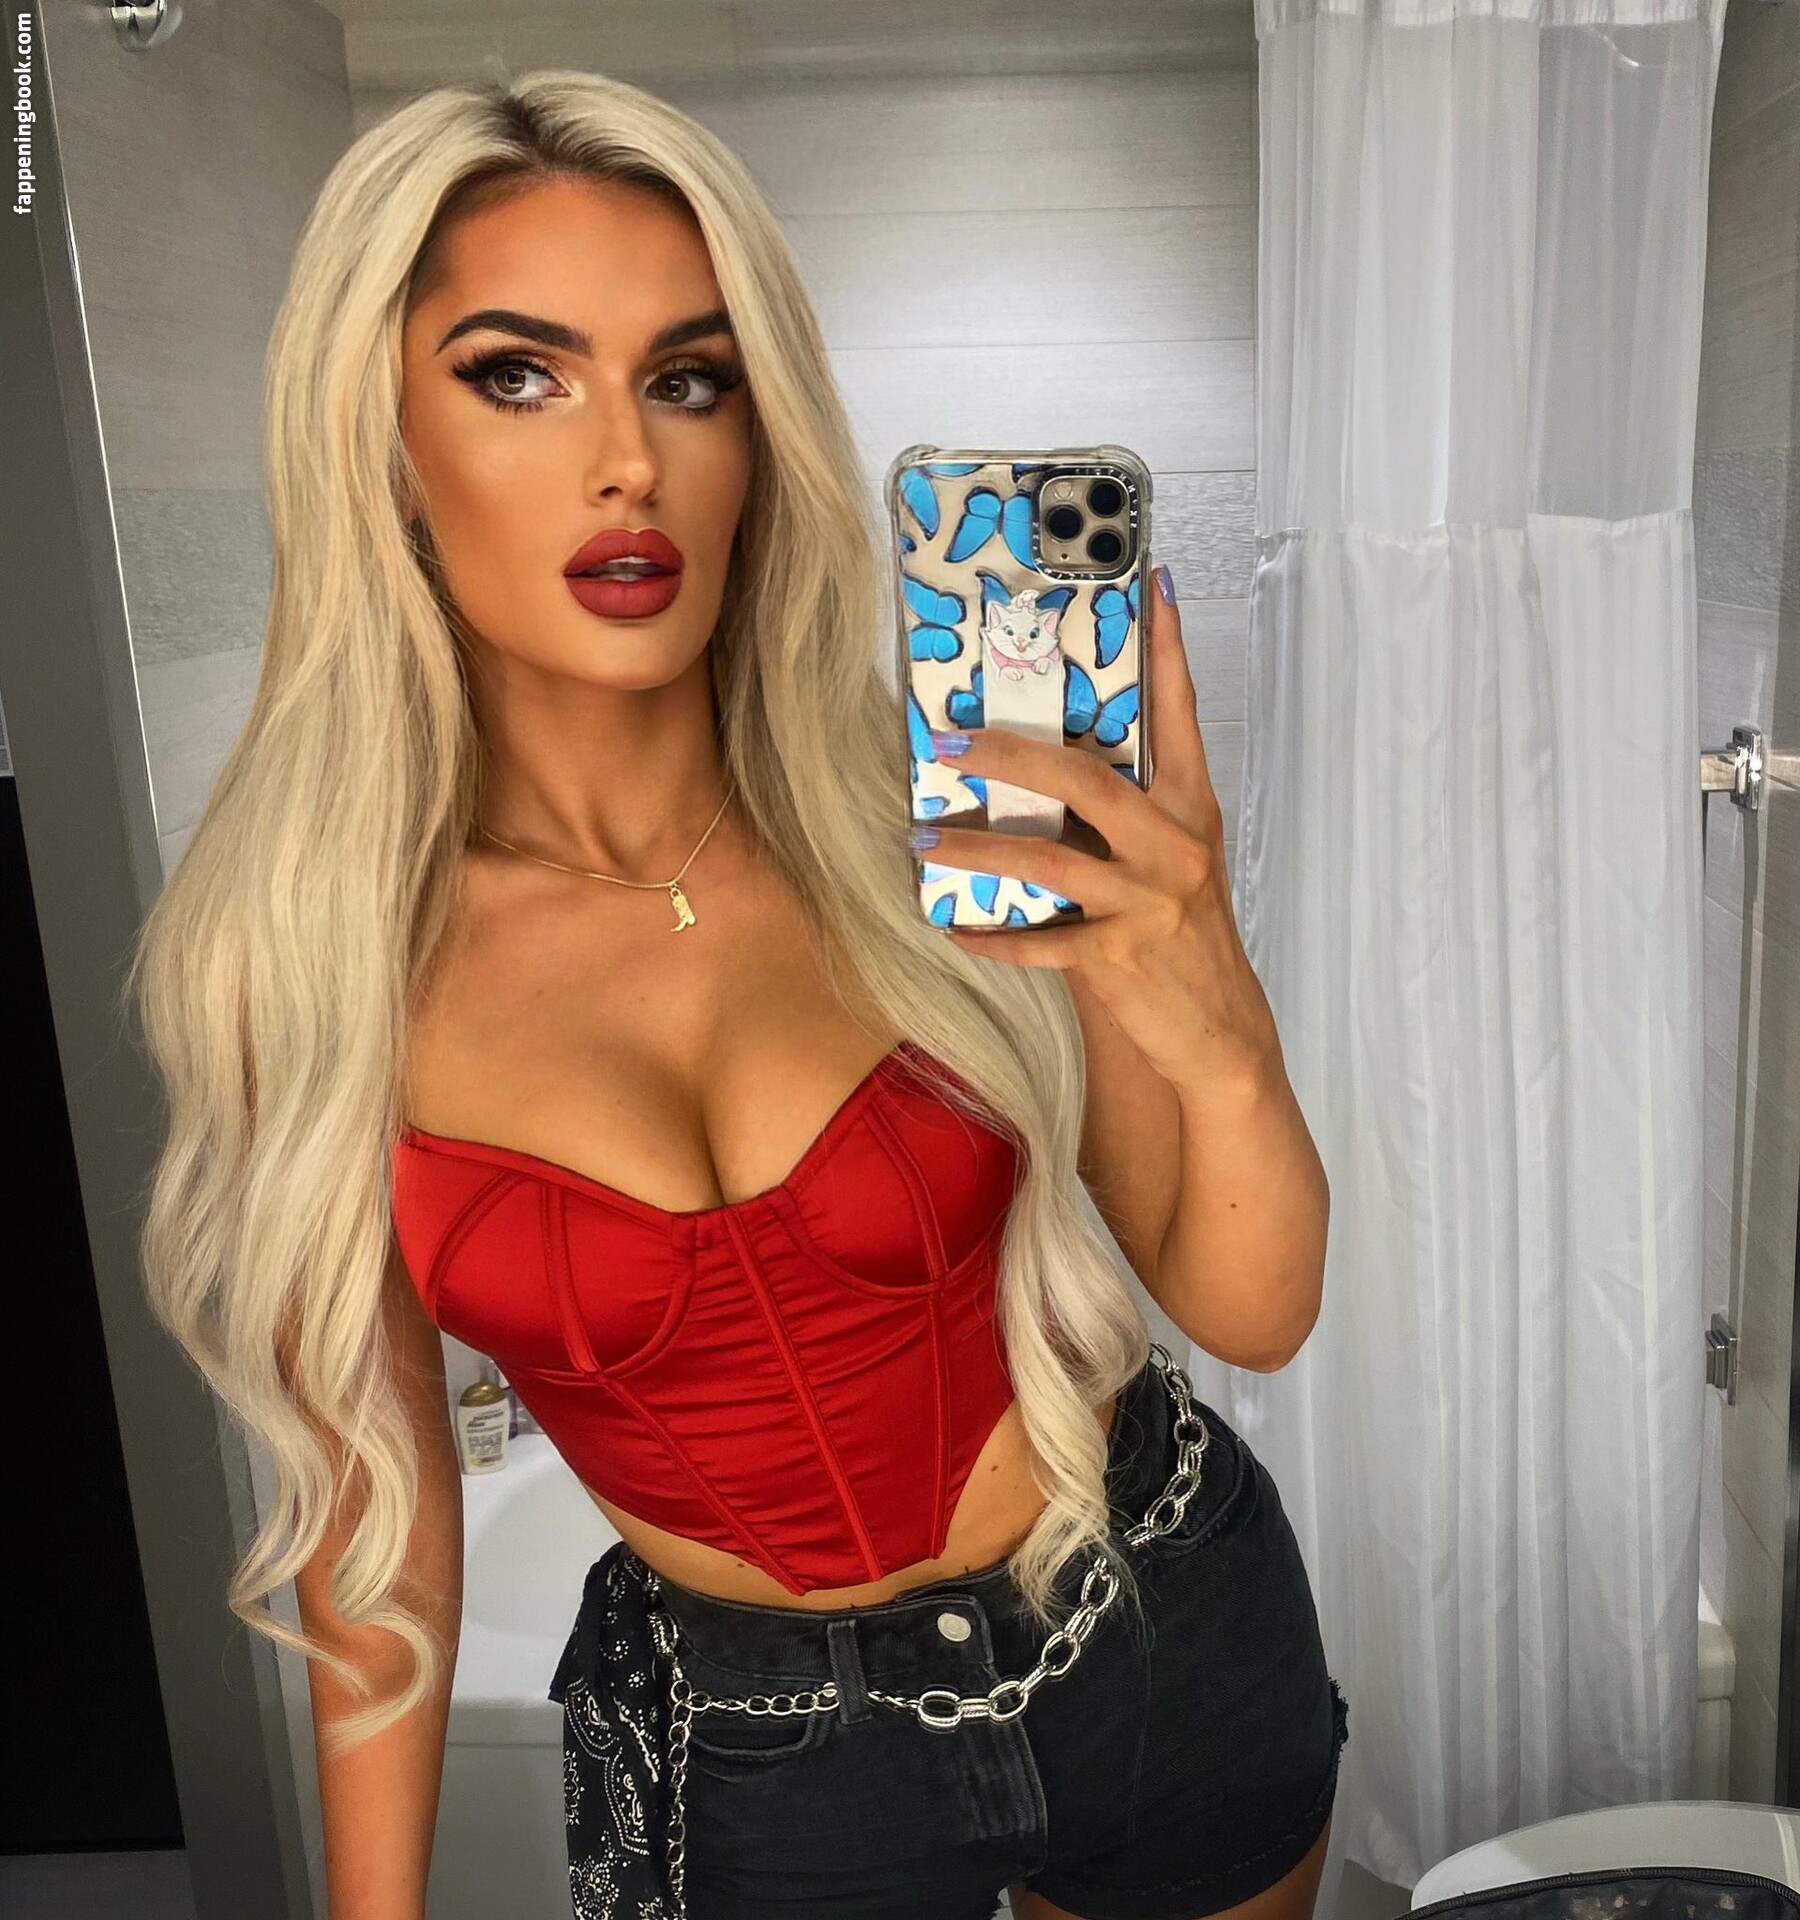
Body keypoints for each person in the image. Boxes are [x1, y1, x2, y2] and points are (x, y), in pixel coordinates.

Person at [132, 69, 1344, 1920]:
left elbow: (1253, 1308)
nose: (628, 458)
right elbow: (378, 1508)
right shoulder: (306, 959)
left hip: (1165, 1626)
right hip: (776, 1775)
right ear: (377, 441)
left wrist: (1217, 1008)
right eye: (519, 376)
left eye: (690, 379)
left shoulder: (936, 811)